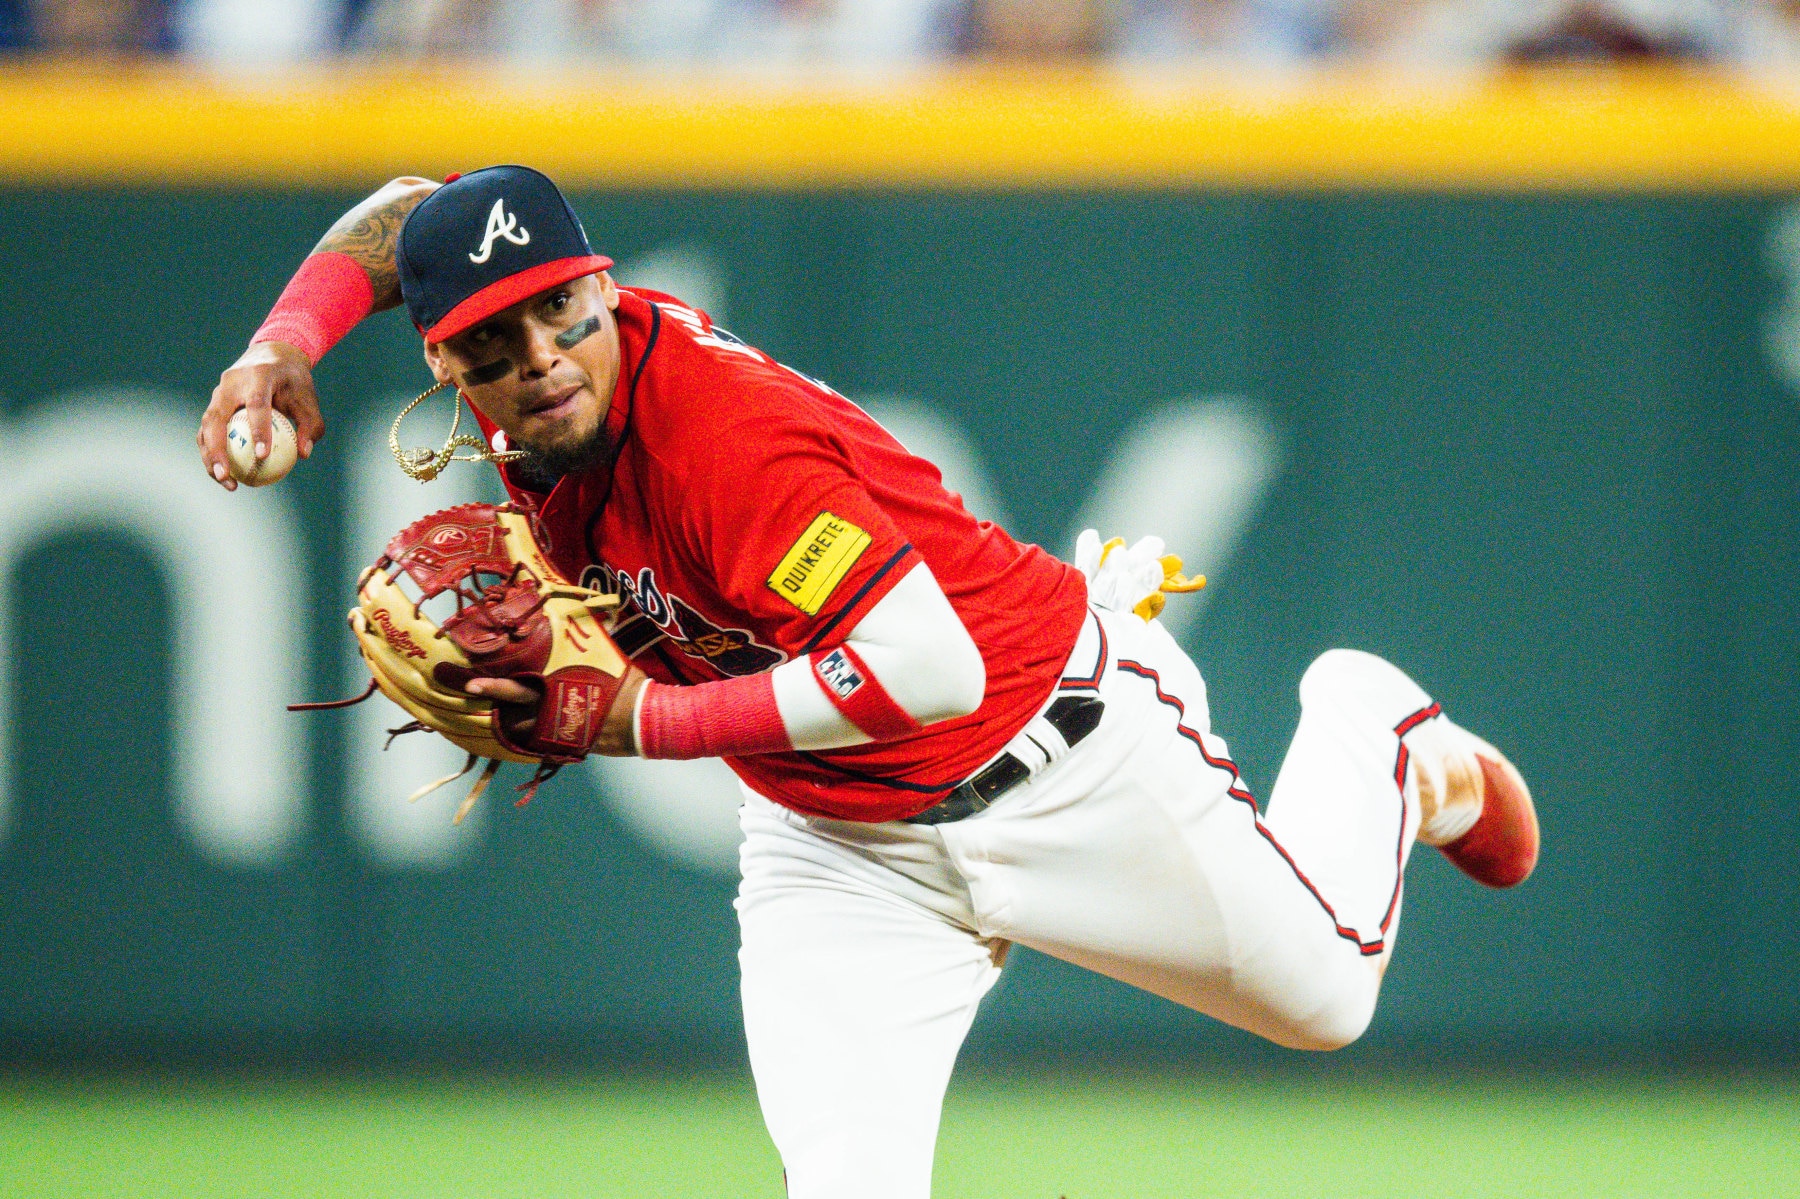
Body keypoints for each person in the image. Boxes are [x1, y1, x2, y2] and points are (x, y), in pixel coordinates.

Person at [199, 164, 1540, 1199]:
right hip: (841, 847)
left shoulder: (721, 444)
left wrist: (646, 720)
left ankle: (1371, 728)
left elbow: (927, 667)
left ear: (600, 288)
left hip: (1055, 749)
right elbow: (402, 215)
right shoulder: (530, 377)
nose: (543, 357)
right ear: (440, 357)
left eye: (561, 310)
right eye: (495, 339)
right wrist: (281, 346)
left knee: (1326, 1005)